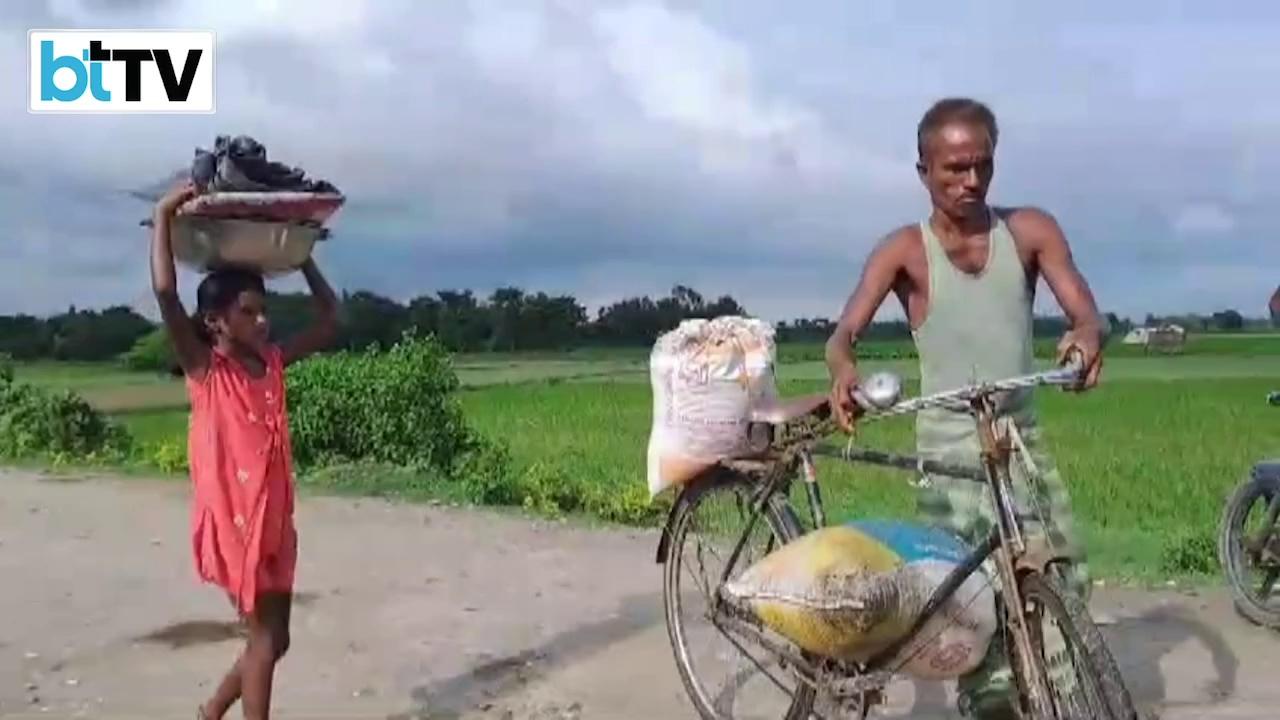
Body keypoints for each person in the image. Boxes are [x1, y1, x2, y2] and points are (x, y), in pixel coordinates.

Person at [824, 98, 1105, 719]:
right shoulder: (904, 250)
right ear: (923, 171)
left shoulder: (1030, 231)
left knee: (1059, 576)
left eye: (981, 166)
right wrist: (844, 369)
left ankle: (1054, 692)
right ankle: (991, 702)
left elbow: (1085, 310)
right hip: (947, 445)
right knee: (968, 598)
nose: (970, 181)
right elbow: (843, 334)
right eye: (953, 169)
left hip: (1019, 437)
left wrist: (1086, 335)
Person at [150, 181, 339, 720]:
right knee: (264, 641)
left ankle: (210, 712)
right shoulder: (208, 371)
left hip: (275, 517)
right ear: (215, 322)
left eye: (264, 310)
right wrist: (165, 212)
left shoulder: (272, 362)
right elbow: (167, 292)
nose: (263, 321)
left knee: (274, 641)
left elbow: (330, 318)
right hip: (237, 523)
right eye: (249, 312)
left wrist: (300, 254)